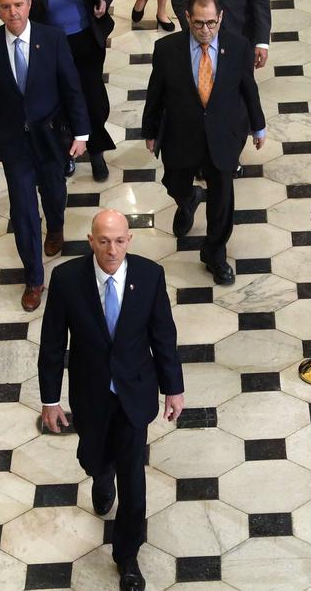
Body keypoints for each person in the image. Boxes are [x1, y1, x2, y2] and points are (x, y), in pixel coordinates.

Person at [39, 209, 184, 591]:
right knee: (93, 457)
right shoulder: (67, 279)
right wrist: (50, 400)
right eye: (103, 241)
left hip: (135, 393)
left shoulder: (150, 276)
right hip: (90, 394)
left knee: (133, 477)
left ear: (129, 240)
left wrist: (174, 388)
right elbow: (53, 344)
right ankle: (102, 477)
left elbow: (162, 336)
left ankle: (128, 556)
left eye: (119, 240)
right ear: (91, 241)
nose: (112, 250)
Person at [0, 0, 90, 312]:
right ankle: (34, 278)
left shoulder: (51, 39)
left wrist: (81, 134)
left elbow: (71, 87)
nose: (13, 12)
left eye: (18, 4)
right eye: (5, 6)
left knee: (53, 193)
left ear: (29, 4)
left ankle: (56, 226)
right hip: (13, 142)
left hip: (50, 136)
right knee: (23, 210)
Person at [142, 0, 266, 286]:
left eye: (211, 23)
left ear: (221, 18)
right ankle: (189, 199)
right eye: (198, 24)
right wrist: (149, 131)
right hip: (181, 135)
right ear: (187, 19)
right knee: (174, 184)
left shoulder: (238, 47)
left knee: (223, 199)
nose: (206, 31)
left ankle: (215, 253)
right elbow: (155, 93)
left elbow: (249, 89)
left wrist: (258, 127)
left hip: (223, 136)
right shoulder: (167, 49)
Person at [10, 0, 116, 182]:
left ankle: (96, 150)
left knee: (93, 97)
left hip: (85, 37)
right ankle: (66, 149)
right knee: (59, 99)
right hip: (50, 43)